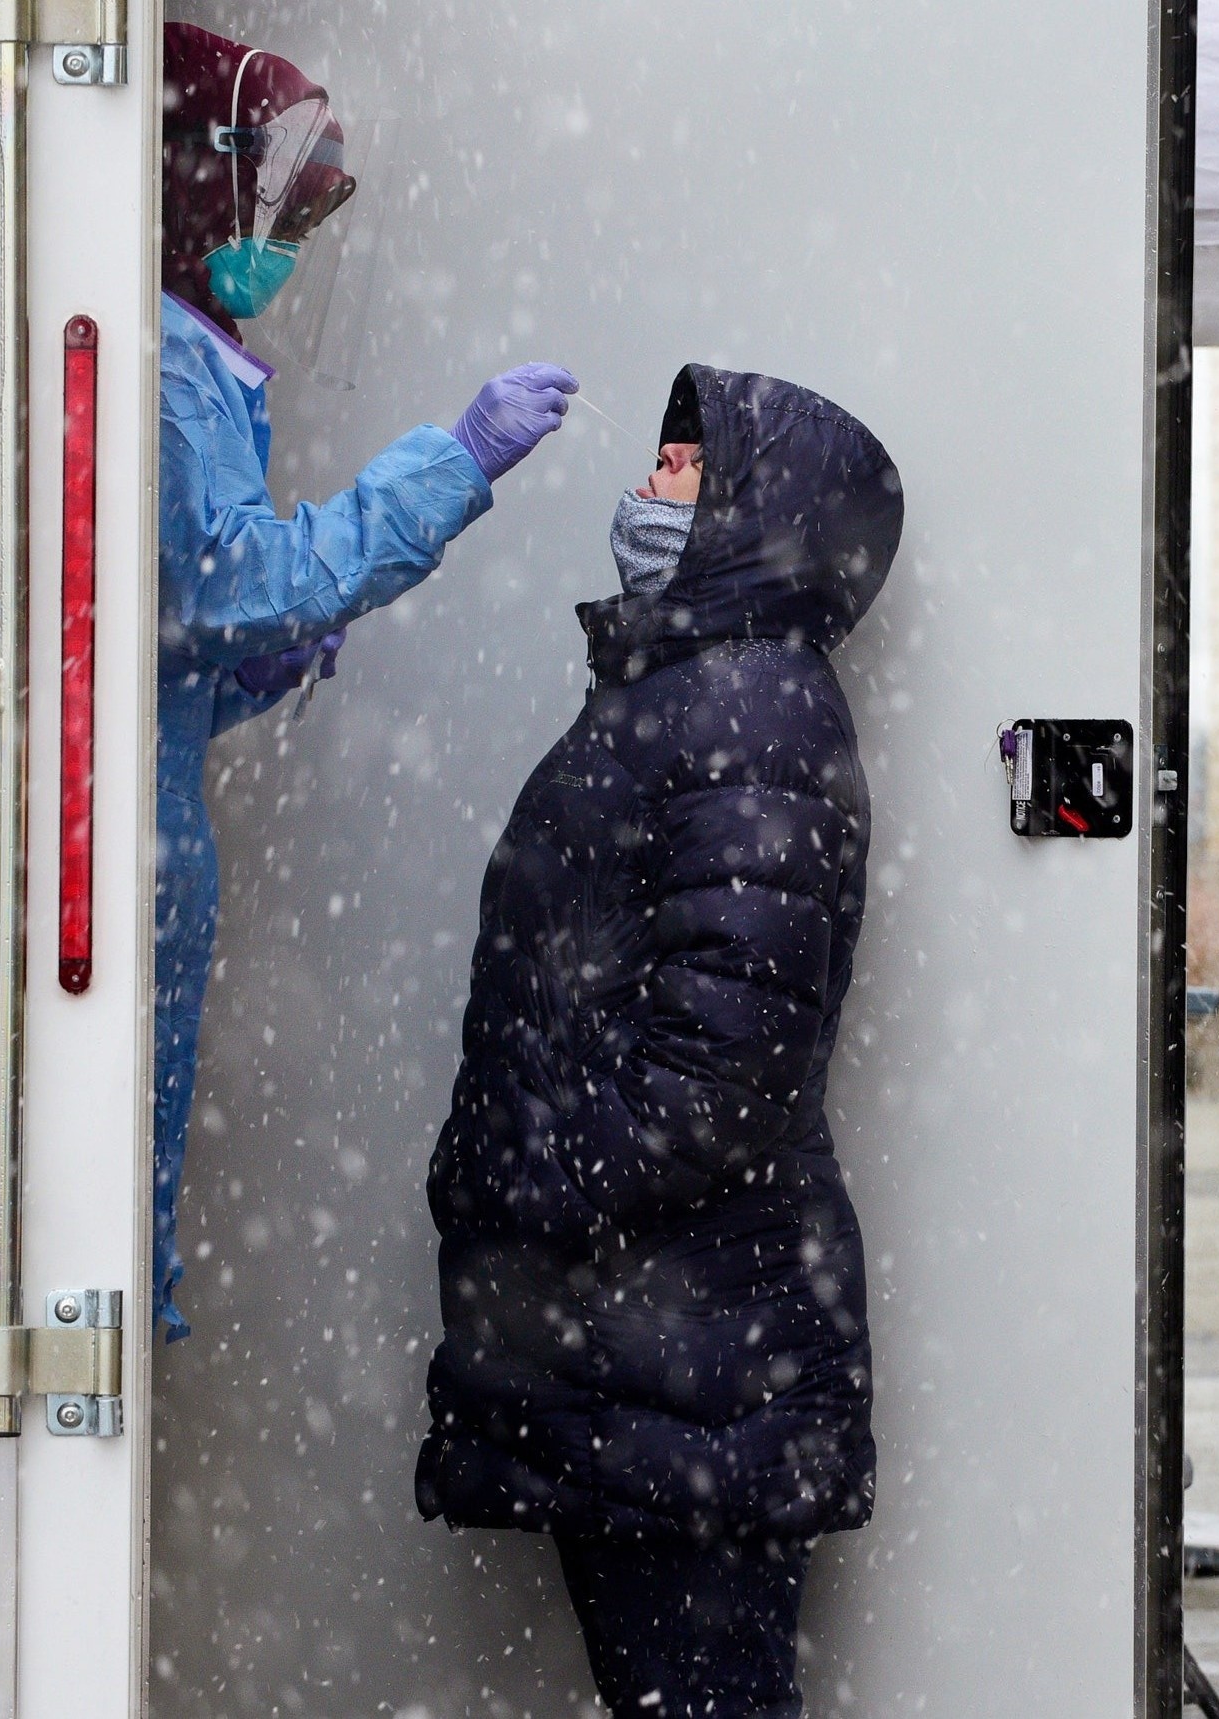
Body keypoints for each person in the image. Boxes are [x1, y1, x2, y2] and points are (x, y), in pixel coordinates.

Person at [416, 364, 900, 1719]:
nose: (647, 485)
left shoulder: (747, 705)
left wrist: (518, 1185)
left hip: (688, 1340)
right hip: (658, 1343)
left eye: (683, 467)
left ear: (759, 511)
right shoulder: (689, 689)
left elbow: (720, 1074)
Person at [154, 24, 574, 1338]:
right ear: (191, 175)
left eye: (312, 210)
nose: (286, 243)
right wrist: (448, 465)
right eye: (282, 201)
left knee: (128, 1173)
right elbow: (228, 583)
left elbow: (148, 652)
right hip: (126, 863)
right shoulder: (165, 363)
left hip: (143, 844)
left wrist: (240, 678)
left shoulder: (187, 351)